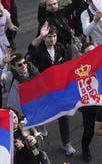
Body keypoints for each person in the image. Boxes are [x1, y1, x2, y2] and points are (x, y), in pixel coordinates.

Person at [27, 21, 77, 156]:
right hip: (43, 89)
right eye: (49, 37)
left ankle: (67, 143)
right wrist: (40, 36)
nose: (52, 39)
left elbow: (67, 66)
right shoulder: (39, 51)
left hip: (60, 89)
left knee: (64, 116)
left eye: (54, 36)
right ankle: (41, 130)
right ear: (44, 38)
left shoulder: (61, 48)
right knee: (42, 112)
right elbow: (30, 50)